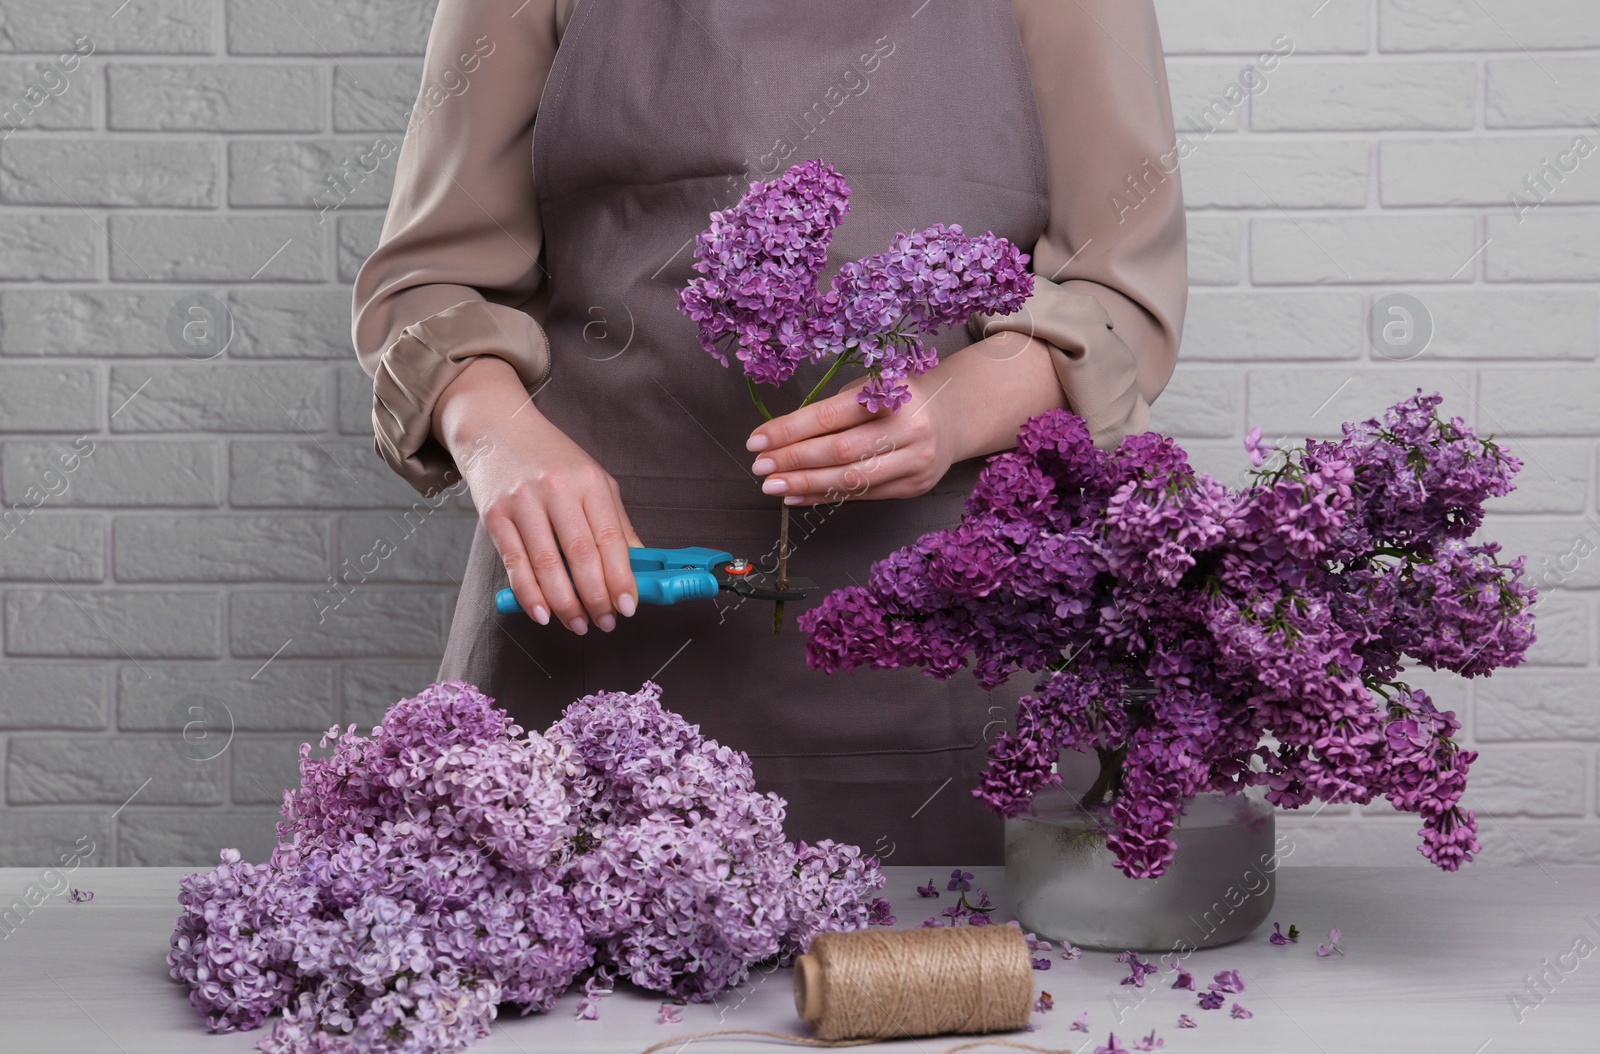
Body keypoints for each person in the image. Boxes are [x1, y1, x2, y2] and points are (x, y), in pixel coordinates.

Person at [351, 0, 1186, 865]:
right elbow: (433, 282)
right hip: (598, 608)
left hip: (951, 644)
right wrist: (496, 436)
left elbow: (1119, 299)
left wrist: (957, 407)